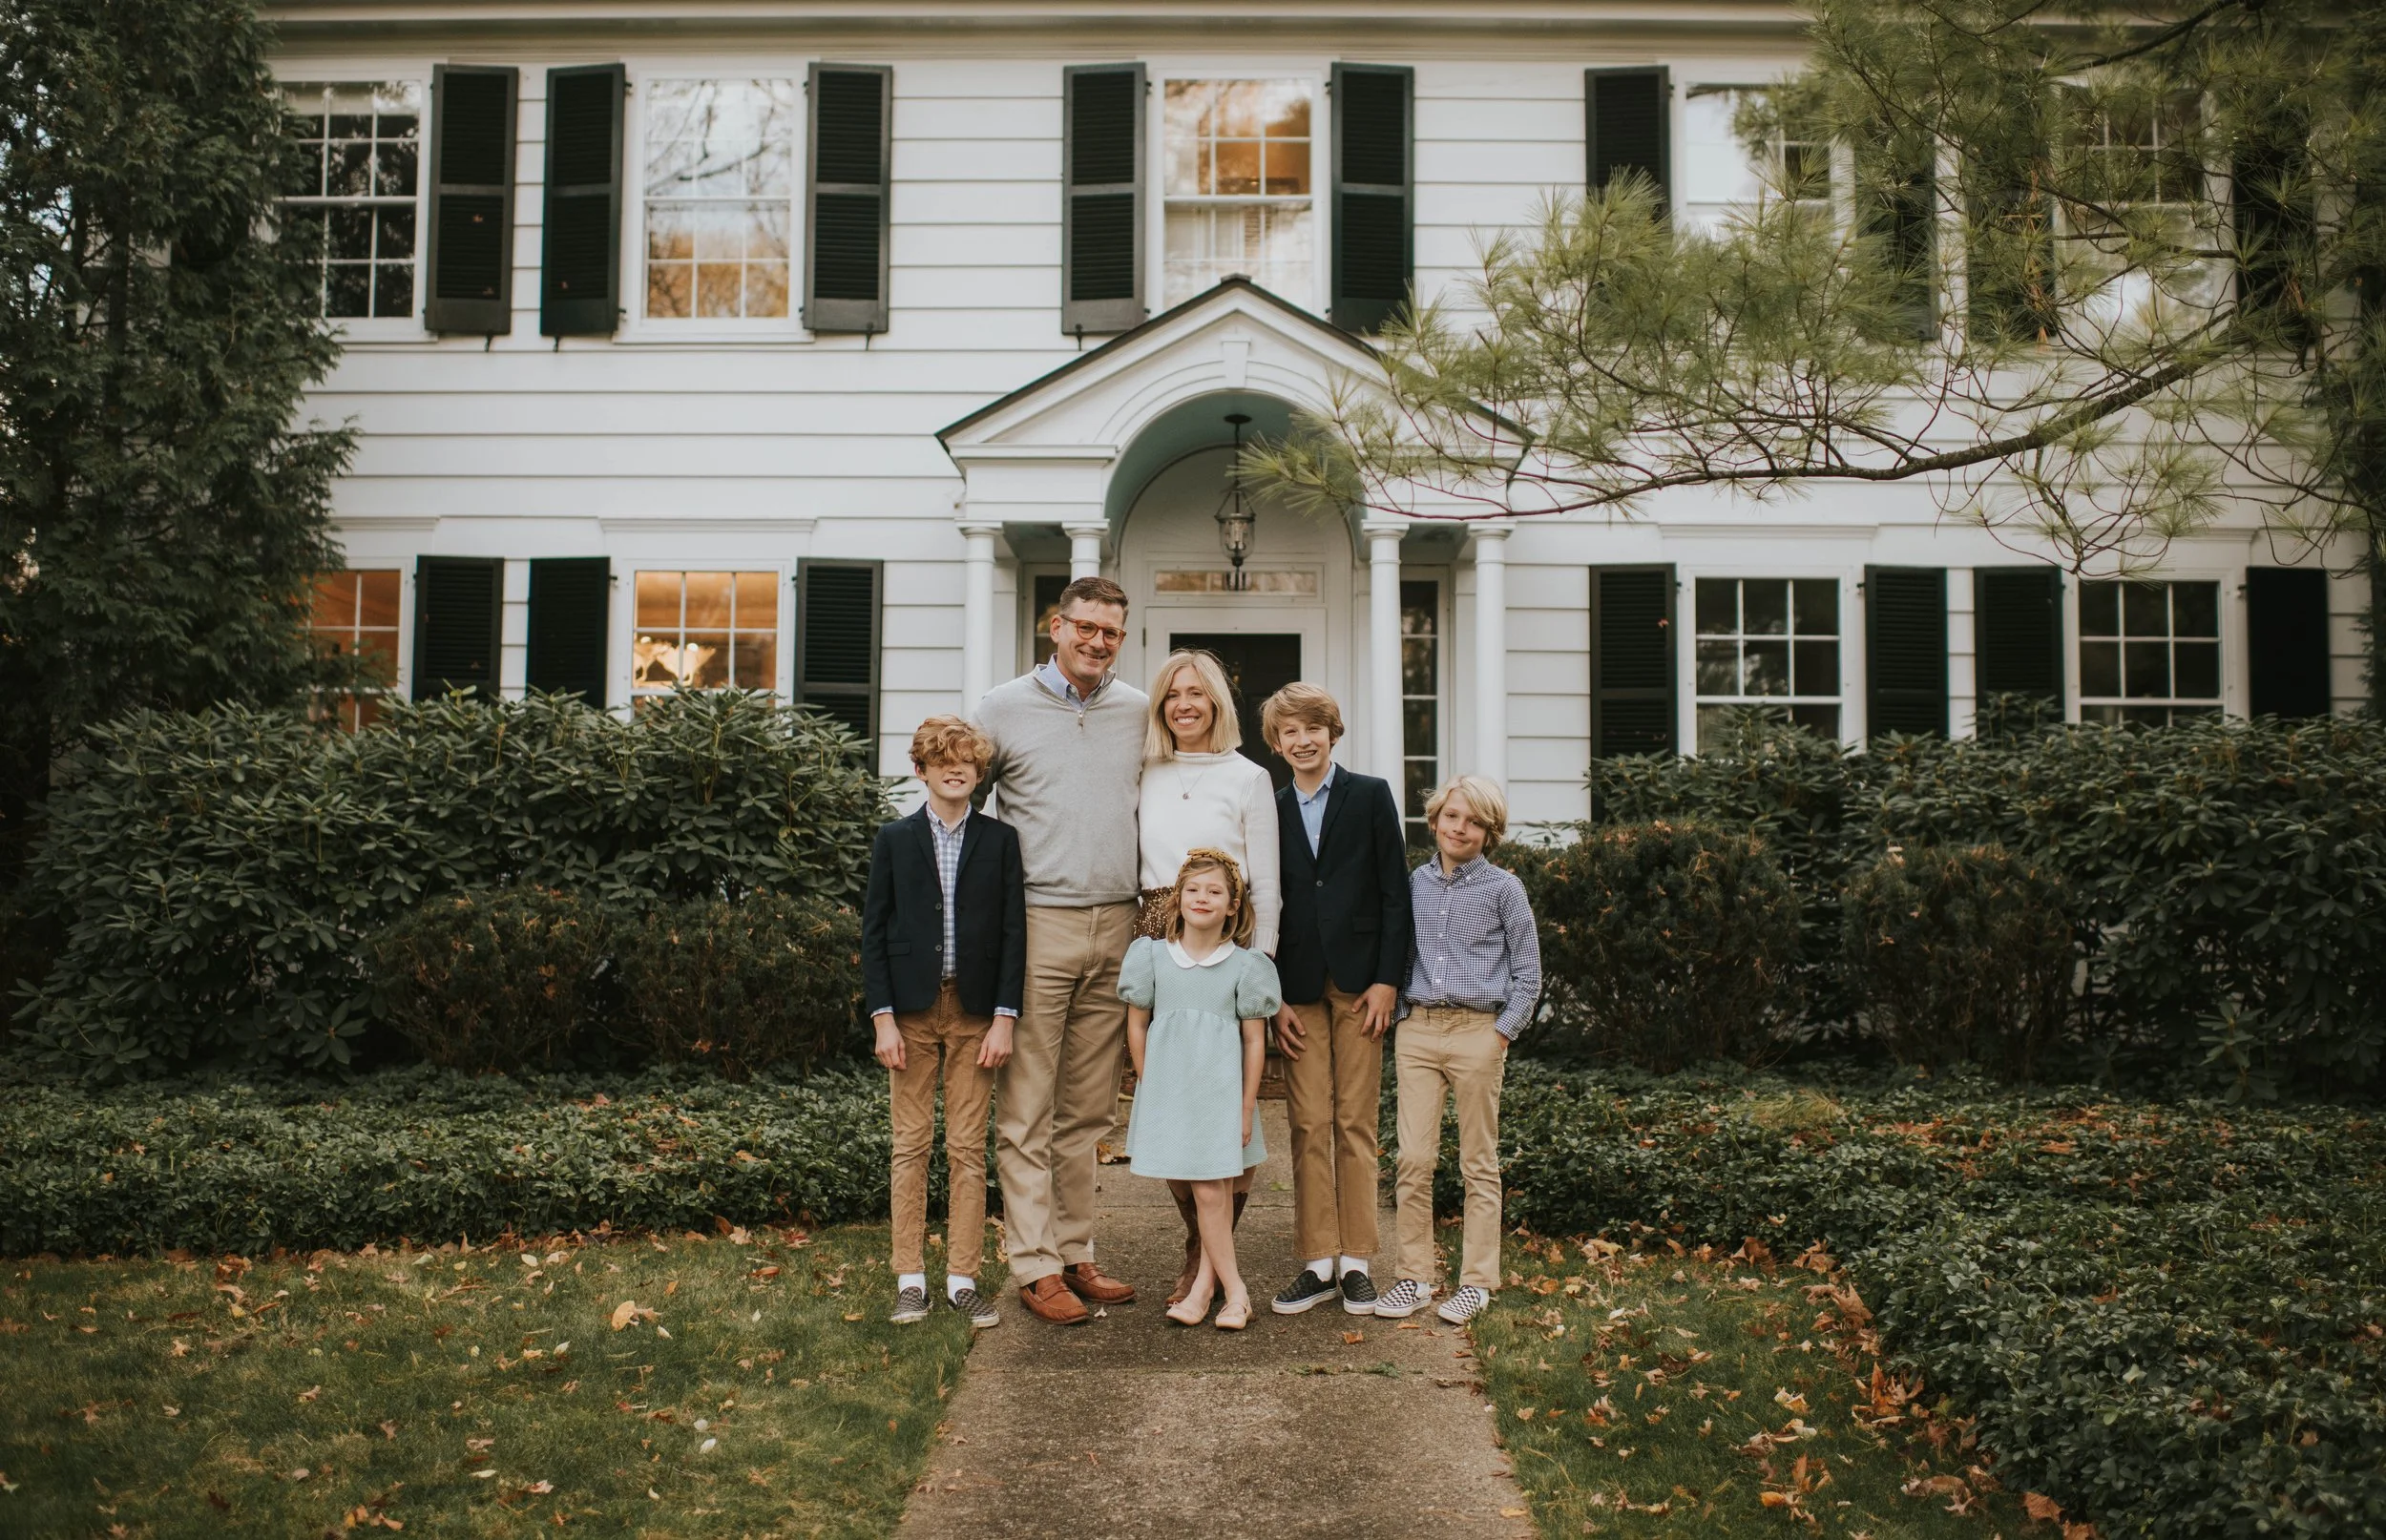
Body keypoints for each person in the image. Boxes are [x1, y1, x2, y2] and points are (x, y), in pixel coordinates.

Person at [972, 575, 1146, 1326]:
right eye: (1085, 628)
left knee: (1087, 1111)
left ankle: (1076, 1251)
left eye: (1111, 632)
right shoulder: (1001, 707)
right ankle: (1034, 1262)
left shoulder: (1137, 711)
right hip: (1038, 922)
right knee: (1027, 1108)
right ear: (1056, 626)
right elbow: (963, 813)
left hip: (1118, 922)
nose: (1096, 642)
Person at [861, 717, 1026, 1330]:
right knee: (910, 1146)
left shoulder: (1000, 841)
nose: (954, 769)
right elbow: (874, 932)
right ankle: (910, 1279)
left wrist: (1005, 1018)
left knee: (966, 1149)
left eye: (966, 762)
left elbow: (1014, 935)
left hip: (976, 1014)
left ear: (980, 774)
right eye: (941, 760)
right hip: (910, 1012)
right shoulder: (895, 840)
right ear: (922, 770)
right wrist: (883, 1019)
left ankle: (961, 1279)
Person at [1134, 648, 1281, 1306]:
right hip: (1156, 933)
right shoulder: (1144, 769)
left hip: (1230, 937)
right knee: (1170, 1102)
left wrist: (1262, 966)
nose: (1184, 704)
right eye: (1172, 694)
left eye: (1197, 693)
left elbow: (1268, 884)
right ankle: (1199, 1239)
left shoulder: (1247, 776)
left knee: (1230, 1109)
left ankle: (1206, 1262)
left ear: (1217, 702)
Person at [1259, 683, 1412, 1317]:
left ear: (1333, 732)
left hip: (1359, 986)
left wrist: (1387, 980)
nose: (1302, 740)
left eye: (1313, 729)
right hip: (1296, 988)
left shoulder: (1371, 796)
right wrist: (1271, 997)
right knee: (1306, 1121)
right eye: (1289, 732)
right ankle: (1318, 1260)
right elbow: (1264, 901)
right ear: (1276, 743)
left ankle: (1356, 1261)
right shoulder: (1267, 807)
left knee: (1355, 1120)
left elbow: (1393, 894)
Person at [1373, 775, 1541, 1327]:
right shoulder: (1412, 883)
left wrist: (1502, 1034)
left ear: (1489, 833)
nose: (1459, 829)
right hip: (1419, 1031)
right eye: (1452, 817)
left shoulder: (1503, 890)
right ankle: (1414, 1277)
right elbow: (1398, 953)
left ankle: (1476, 1282)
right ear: (1435, 818)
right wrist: (1400, 1018)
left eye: (1473, 822)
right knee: (1413, 1159)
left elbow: (1529, 973)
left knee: (1478, 1163)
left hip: (1478, 1032)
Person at [1119, 848, 1279, 1331]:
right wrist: (1152, 1087)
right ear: (1177, 899)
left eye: (1215, 891)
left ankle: (1235, 1293)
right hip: (1173, 1093)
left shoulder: (1245, 966)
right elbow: (1136, 1028)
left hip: (1222, 1096)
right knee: (1209, 1193)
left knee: (1213, 1191)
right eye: (1193, 889)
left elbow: (1255, 1041)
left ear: (1233, 905)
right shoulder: (1151, 957)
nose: (1202, 898)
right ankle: (1206, 1288)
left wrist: (1247, 1105)